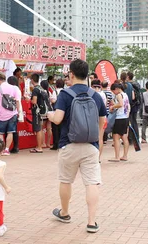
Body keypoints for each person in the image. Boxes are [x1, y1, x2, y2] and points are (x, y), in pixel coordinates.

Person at [47, 59, 107, 234]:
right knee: (92, 183)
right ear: (87, 75)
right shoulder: (96, 95)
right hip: (91, 145)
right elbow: (101, 122)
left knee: (66, 180)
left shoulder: (65, 95)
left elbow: (58, 119)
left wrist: (50, 115)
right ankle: (91, 222)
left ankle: (65, 213)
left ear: (71, 74)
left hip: (69, 144)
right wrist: (98, 144)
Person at [0, 72, 22, 156]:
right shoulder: (15, 88)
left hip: (2, 114)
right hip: (13, 112)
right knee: (10, 132)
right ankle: (7, 150)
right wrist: (18, 112)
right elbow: (17, 101)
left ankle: (1, 150)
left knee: (0, 133)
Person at [109, 82, 130, 162]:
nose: (113, 93)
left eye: (113, 91)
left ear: (117, 89)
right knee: (125, 137)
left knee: (116, 138)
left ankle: (117, 156)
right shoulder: (125, 95)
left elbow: (120, 104)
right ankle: (125, 155)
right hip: (125, 117)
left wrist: (112, 106)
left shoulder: (118, 95)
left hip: (119, 118)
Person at [30, 74, 47, 153]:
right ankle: (40, 145)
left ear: (32, 80)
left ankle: (39, 147)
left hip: (37, 111)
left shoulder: (35, 90)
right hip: (42, 111)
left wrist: (28, 99)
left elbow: (34, 101)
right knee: (40, 128)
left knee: (38, 129)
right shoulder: (41, 89)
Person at [125, 72, 143, 145]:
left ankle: (130, 139)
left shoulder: (129, 85)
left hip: (131, 105)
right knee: (134, 122)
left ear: (128, 77)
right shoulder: (137, 84)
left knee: (129, 122)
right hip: (136, 105)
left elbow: (132, 97)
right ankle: (136, 138)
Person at [51, 78, 65, 150]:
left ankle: (56, 144)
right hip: (64, 111)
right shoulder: (65, 91)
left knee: (55, 129)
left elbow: (53, 100)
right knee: (62, 128)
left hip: (56, 111)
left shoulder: (55, 91)